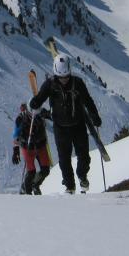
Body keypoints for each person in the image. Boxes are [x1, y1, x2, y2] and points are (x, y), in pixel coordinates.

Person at [30, 54, 101, 194]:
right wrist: (35, 103)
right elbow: (39, 98)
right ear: (56, 74)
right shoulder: (50, 84)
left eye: (66, 76)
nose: (64, 80)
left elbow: (88, 100)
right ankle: (70, 186)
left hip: (78, 125)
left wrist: (94, 115)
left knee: (84, 156)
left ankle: (82, 176)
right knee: (64, 160)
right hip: (60, 128)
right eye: (61, 77)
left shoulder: (78, 83)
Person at [11, 103, 52, 195]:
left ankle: (35, 185)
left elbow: (50, 115)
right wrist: (16, 150)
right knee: (31, 172)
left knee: (45, 170)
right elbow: (15, 135)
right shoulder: (21, 119)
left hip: (41, 146)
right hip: (27, 147)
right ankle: (26, 192)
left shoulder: (41, 113)